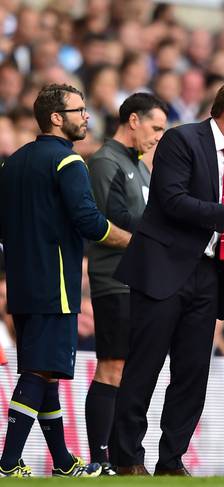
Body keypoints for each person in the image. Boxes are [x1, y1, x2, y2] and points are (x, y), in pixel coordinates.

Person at [109, 80, 224, 476]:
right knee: (144, 367)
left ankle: (171, 460)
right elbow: (170, 200)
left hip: (208, 274)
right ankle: (128, 458)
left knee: (192, 374)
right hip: (163, 268)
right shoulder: (182, 140)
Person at [0, 83, 130, 477]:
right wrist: (135, 243)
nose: (87, 116)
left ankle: (62, 462)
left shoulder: (14, 162)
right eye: (79, 110)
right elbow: (89, 221)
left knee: (46, 371)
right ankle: (7, 463)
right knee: (39, 373)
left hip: (22, 282)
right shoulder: (69, 162)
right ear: (57, 118)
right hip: (54, 282)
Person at [84, 93, 168, 475]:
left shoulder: (140, 167)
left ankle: (122, 457)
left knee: (131, 369)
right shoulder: (104, 161)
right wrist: (154, 242)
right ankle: (100, 458)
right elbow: (106, 222)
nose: (158, 136)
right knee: (112, 367)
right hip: (114, 279)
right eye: (155, 128)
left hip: (139, 279)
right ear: (133, 120)